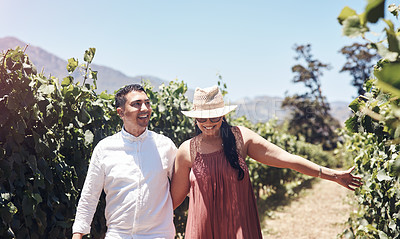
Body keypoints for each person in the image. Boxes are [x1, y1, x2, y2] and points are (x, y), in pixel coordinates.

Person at [170, 85, 362, 239]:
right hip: (203, 230)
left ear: (223, 115)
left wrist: (333, 175)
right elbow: (174, 199)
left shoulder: (241, 138)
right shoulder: (186, 150)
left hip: (239, 227)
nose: (208, 122)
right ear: (194, 118)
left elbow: (288, 160)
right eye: (202, 118)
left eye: (214, 117)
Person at [72, 84, 177, 239]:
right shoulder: (105, 149)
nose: (145, 108)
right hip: (118, 235)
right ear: (120, 112)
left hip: (159, 235)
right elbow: (90, 195)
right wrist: (78, 234)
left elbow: (187, 186)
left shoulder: (165, 146)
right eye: (137, 104)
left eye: (147, 103)